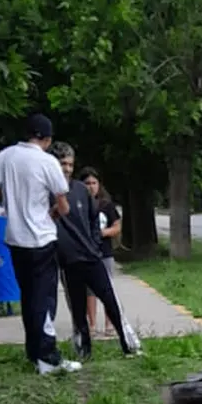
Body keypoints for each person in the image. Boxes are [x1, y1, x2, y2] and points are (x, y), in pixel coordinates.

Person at [0, 114, 82, 375]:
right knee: (45, 299)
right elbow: (63, 205)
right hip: (41, 238)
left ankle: (33, 351)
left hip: (15, 239)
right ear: (47, 139)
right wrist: (50, 212)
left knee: (28, 297)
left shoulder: (5, 156)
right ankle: (48, 358)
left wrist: (14, 198)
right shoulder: (47, 161)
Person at [49, 142, 142, 360]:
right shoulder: (47, 192)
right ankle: (84, 350)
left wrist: (94, 243)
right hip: (67, 261)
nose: (67, 169)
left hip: (90, 256)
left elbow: (93, 219)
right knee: (78, 308)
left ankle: (127, 343)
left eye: (70, 164)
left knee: (110, 299)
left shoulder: (81, 190)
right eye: (62, 164)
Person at [79, 167, 121, 336]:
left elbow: (117, 226)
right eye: (87, 183)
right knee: (89, 290)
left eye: (94, 183)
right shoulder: (78, 204)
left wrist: (103, 232)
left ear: (99, 185)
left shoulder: (106, 205)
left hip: (105, 252)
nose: (91, 186)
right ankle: (92, 324)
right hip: (86, 252)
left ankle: (110, 324)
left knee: (107, 288)